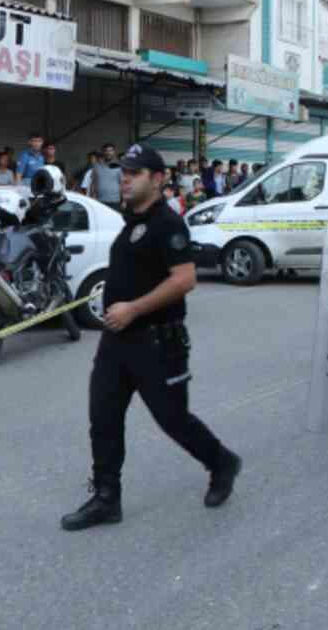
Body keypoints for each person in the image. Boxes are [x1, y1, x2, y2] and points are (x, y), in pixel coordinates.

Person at [61, 144, 242, 531]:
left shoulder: (168, 225)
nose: (125, 178)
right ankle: (107, 498)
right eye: (123, 171)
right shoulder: (131, 222)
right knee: (103, 417)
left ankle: (221, 462)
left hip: (157, 342)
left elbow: (184, 279)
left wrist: (132, 308)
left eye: (135, 172)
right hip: (117, 342)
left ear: (158, 179)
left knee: (173, 419)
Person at [90, 144, 123, 211]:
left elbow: (123, 184)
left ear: (114, 152)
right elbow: (93, 183)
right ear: (103, 152)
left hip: (115, 201)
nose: (108, 153)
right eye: (106, 151)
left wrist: (124, 201)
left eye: (111, 150)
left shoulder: (119, 166)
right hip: (100, 201)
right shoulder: (96, 166)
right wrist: (93, 198)